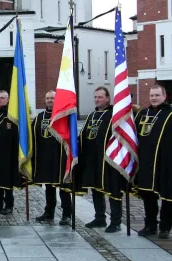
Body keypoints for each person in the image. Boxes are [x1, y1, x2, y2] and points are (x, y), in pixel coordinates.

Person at [134, 85, 172, 238]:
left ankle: (165, 226)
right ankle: (150, 225)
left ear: (164, 96)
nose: (154, 98)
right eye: (152, 95)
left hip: (165, 163)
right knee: (148, 195)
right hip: (146, 162)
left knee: (167, 196)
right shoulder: (143, 114)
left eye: (157, 95)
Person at [77, 87, 124, 232]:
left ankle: (116, 221)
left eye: (100, 97)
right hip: (92, 159)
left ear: (108, 98)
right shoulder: (91, 115)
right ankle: (99, 218)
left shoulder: (114, 115)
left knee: (113, 190)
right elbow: (84, 136)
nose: (97, 100)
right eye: (95, 97)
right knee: (96, 189)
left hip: (109, 161)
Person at [32, 91, 72, 225]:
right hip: (45, 158)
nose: (49, 100)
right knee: (49, 188)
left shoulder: (62, 117)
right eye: (47, 98)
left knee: (63, 188)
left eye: (52, 98)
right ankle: (49, 212)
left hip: (60, 158)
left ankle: (67, 214)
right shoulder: (39, 117)